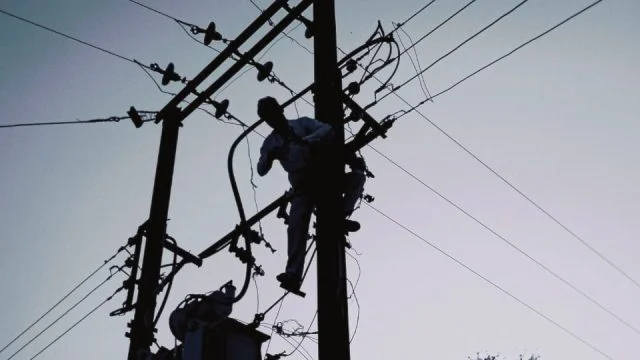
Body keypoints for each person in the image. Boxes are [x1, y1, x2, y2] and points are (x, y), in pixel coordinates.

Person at [256, 96, 366, 293]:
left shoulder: (301, 124)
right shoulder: (270, 143)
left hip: (323, 175)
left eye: (271, 113)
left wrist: (308, 141)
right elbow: (261, 169)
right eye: (266, 117)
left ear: (279, 110)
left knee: (357, 177)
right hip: (302, 186)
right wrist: (270, 157)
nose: (271, 119)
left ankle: (340, 215)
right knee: (296, 226)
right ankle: (293, 275)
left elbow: (328, 129)